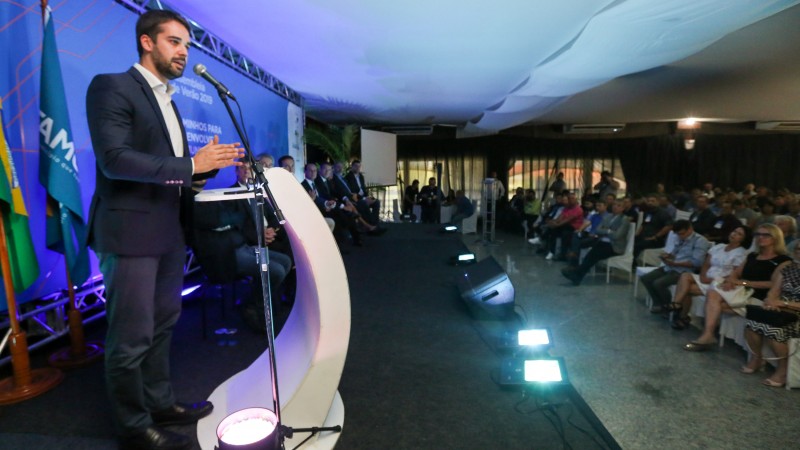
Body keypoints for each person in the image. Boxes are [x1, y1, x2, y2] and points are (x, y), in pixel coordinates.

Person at [85, 10, 243, 449]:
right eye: (175, 42)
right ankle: (132, 426)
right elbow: (114, 160)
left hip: (170, 231)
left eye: (187, 45)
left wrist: (200, 172)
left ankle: (159, 402)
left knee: (163, 325)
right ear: (146, 42)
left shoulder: (169, 100)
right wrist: (192, 164)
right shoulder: (112, 86)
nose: (183, 52)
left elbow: (170, 171)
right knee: (131, 338)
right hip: (131, 233)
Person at [193, 164, 293, 334]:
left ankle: (255, 304)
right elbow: (232, 223)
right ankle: (253, 308)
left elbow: (239, 220)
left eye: (205, 174)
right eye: (199, 175)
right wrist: (255, 235)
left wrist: (269, 231)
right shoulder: (215, 197)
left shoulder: (251, 191)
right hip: (228, 252)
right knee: (275, 270)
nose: (247, 171)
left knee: (286, 261)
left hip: (243, 245)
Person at [684, 224, 792, 351]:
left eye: (765, 235)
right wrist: (731, 281)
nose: (760, 238)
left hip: (760, 297)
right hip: (741, 292)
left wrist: (744, 283)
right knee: (713, 295)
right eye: (758, 234)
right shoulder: (753, 256)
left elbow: (773, 284)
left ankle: (707, 333)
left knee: (714, 303)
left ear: (775, 238)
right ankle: (708, 335)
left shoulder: (783, 260)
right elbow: (736, 273)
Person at [666, 226, 751, 329]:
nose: (734, 234)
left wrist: (711, 280)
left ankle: (681, 315)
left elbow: (735, 274)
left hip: (720, 282)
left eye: (739, 234)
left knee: (687, 288)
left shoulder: (741, 253)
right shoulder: (719, 246)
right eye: (734, 231)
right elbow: (706, 264)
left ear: (744, 239)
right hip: (707, 277)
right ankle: (677, 304)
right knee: (684, 276)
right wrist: (703, 277)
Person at [742, 244, 800, 387]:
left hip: (796, 312)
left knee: (776, 332)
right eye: (798, 248)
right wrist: (770, 301)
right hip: (781, 308)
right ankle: (757, 358)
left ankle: (782, 370)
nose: (799, 252)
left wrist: (782, 303)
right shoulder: (789, 268)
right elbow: (774, 290)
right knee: (752, 325)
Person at [640, 220, 711, 313]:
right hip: (671, 266)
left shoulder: (700, 241)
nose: (680, 236)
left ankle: (668, 307)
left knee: (658, 283)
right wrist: (667, 256)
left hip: (683, 271)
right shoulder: (679, 238)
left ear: (690, 229)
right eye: (678, 234)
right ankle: (658, 303)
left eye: (682, 234)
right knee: (646, 278)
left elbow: (697, 262)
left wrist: (676, 264)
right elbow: (675, 253)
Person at [561, 200, 630, 286]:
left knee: (593, 254)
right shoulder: (608, 217)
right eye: (614, 205)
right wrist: (610, 231)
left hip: (615, 246)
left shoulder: (624, 220)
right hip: (603, 242)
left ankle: (577, 274)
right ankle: (577, 275)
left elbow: (617, 236)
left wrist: (606, 230)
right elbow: (598, 230)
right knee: (592, 254)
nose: (615, 207)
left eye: (619, 205)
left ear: (623, 208)